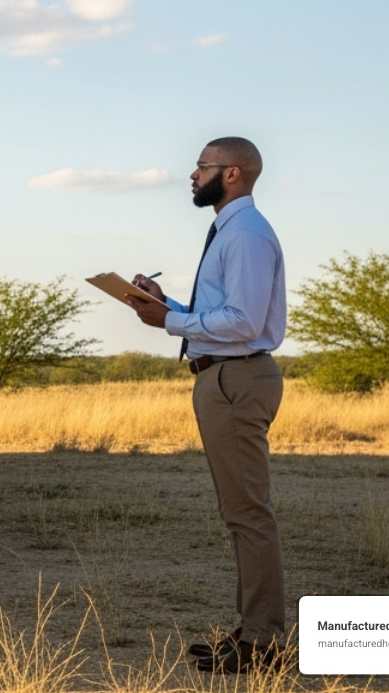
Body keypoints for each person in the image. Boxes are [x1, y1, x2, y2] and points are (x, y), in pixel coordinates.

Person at [125, 136, 287, 674]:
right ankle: (252, 633)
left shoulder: (244, 234)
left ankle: (262, 644)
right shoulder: (231, 231)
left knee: (248, 513)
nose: (192, 175)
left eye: (202, 166)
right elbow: (223, 313)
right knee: (240, 512)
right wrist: (164, 303)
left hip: (235, 380)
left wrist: (171, 322)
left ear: (233, 173)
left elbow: (242, 322)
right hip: (225, 377)